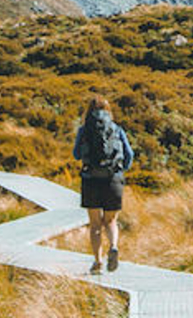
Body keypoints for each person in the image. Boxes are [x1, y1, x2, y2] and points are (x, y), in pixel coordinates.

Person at [73, 97, 133, 274]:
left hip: (90, 179)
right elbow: (129, 154)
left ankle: (98, 262)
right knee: (111, 221)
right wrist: (121, 170)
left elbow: (76, 154)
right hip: (113, 179)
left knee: (95, 225)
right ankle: (113, 246)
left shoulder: (84, 130)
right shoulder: (117, 129)